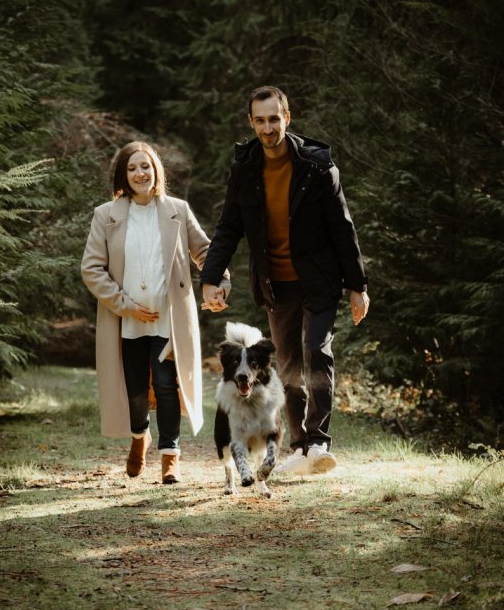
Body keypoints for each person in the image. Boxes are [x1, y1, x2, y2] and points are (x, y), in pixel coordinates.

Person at [201, 86, 369, 475]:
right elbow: (228, 228)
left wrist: (358, 286)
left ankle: (319, 442)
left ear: (287, 118)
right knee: (290, 367)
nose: (267, 127)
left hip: (319, 280)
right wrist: (211, 277)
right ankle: (300, 447)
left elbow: (343, 230)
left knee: (317, 351)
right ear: (251, 123)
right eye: (259, 120)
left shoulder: (317, 167)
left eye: (274, 119)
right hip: (276, 285)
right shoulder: (244, 170)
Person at [82, 141, 229, 484]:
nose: (140, 173)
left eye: (145, 166)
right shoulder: (107, 215)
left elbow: (206, 252)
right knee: (134, 389)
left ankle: (170, 457)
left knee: (166, 386)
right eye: (132, 168)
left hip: (168, 317)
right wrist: (125, 305)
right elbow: (91, 268)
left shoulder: (177, 209)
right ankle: (139, 438)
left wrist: (219, 282)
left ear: (156, 170)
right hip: (126, 318)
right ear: (123, 175)